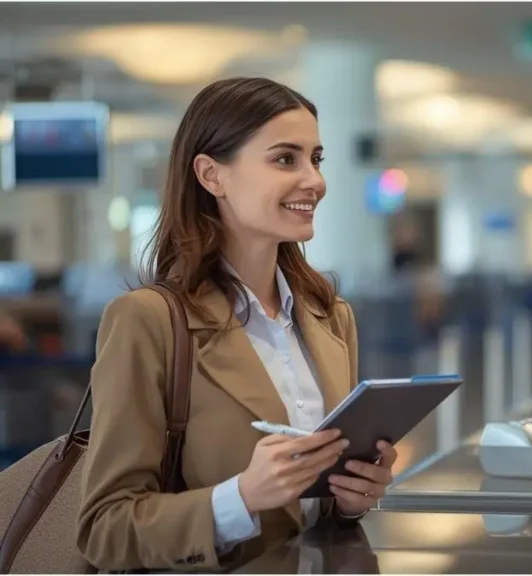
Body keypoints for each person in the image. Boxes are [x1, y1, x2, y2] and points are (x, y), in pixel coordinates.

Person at [77, 78, 397, 571]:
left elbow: (316, 514)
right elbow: (105, 529)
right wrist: (240, 498)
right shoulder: (149, 321)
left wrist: (352, 497)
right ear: (211, 175)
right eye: (285, 158)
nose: (314, 180)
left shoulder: (330, 317)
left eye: (316, 158)